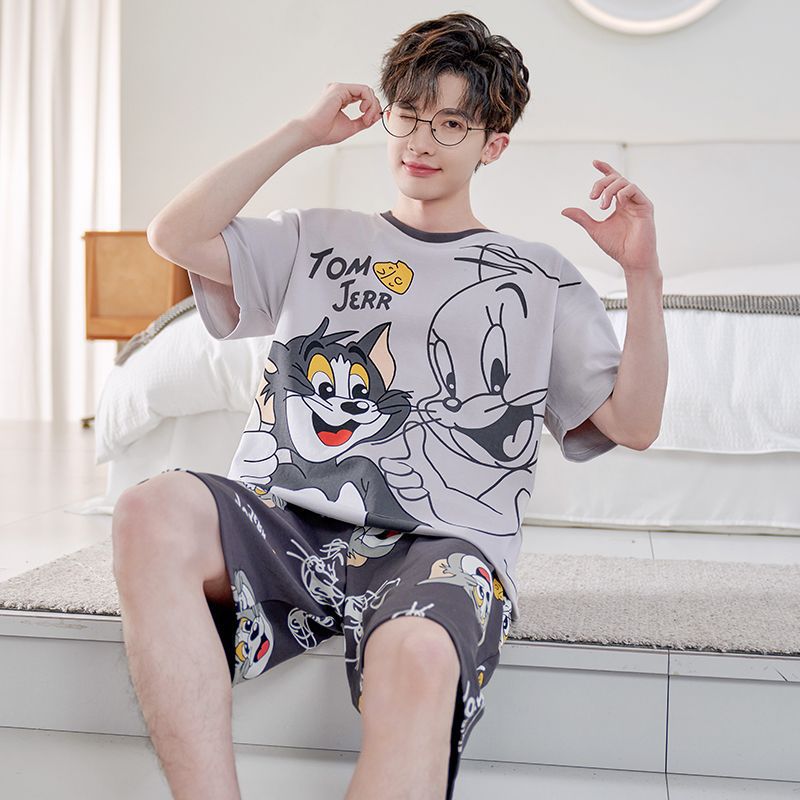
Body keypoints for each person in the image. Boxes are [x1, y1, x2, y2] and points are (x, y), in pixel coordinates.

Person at [113, 11, 666, 800]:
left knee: (419, 654)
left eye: (452, 124)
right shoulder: (313, 238)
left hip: (440, 546)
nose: (422, 141)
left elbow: (634, 424)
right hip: (287, 521)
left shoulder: (539, 277)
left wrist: (643, 276)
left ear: (493, 145)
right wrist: (303, 133)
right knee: (147, 510)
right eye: (409, 113)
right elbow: (175, 234)